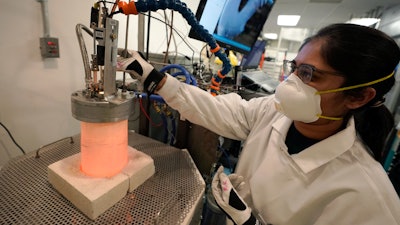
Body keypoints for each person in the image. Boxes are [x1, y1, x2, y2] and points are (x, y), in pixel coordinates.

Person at [117, 23, 400, 225]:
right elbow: (217, 111)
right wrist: (154, 78)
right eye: (295, 68)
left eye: (309, 74)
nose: (290, 84)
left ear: (359, 96)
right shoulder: (273, 113)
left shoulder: (367, 199)